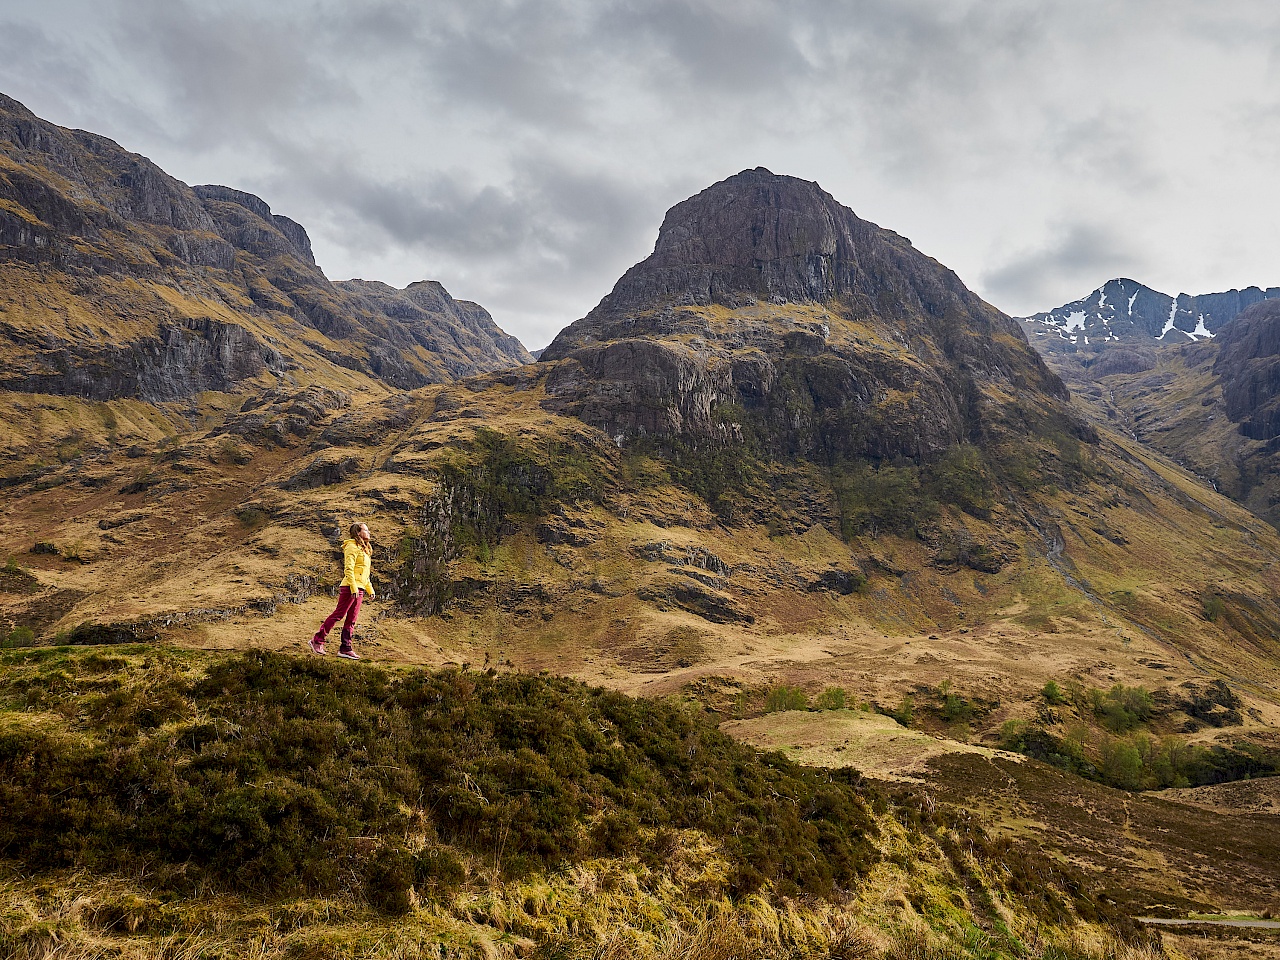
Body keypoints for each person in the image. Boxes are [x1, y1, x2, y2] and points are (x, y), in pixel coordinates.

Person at [310, 522, 375, 660]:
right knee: (339, 615)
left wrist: (370, 589)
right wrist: (353, 587)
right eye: (366, 530)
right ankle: (317, 640)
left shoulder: (365, 549)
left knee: (352, 620)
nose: (369, 532)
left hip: (360, 588)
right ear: (358, 532)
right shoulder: (351, 546)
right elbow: (349, 569)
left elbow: (364, 573)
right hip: (350, 587)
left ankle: (345, 648)